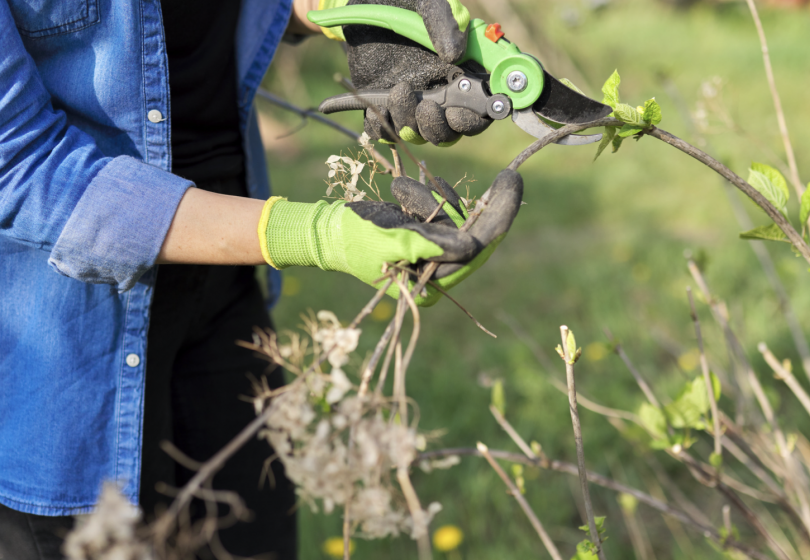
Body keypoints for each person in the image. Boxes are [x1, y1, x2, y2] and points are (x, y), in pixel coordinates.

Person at [0, 0, 521, 557]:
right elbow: (18, 165)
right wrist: (314, 235)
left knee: (257, 538)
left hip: (227, 298)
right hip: (64, 350)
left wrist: (346, 11)